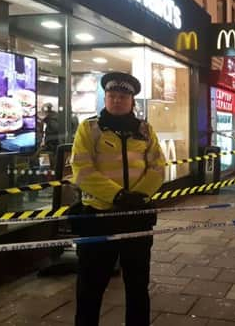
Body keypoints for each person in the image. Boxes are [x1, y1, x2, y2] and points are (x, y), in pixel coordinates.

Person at [70, 72, 165, 326]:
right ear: (105, 98)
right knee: (90, 288)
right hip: (99, 217)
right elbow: (82, 170)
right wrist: (118, 195)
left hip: (136, 218)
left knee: (137, 287)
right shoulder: (88, 128)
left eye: (123, 96)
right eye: (112, 96)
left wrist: (139, 196)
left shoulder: (145, 130)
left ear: (132, 100)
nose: (117, 100)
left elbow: (158, 167)